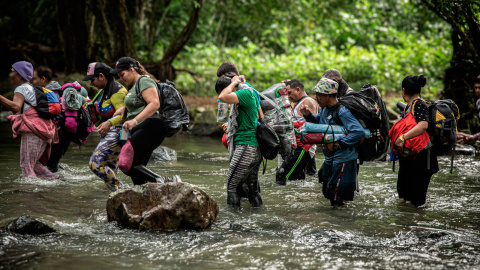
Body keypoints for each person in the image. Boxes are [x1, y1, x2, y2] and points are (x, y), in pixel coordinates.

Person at [111, 57, 180, 186]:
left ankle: (166, 181)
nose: (121, 78)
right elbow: (139, 102)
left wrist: (134, 121)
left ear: (131, 70)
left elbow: (154, 104)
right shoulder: (134, 86)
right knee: (136, 169)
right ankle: (143, 196)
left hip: (150, 127)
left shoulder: (144, 81)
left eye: (122, 74)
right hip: (141, 128)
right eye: (119, 76)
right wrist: (125, 108)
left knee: (125, 164)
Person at [299, 78, 365, 206]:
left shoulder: (342, 111)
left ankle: (341, 223)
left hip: (344, 159)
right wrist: (308, 115)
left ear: (329, 96)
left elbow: (359, 132)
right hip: (330, 158)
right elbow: (320, 122)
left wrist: (338, 145)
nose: (316, 98)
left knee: (336, 195)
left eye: (319, 95)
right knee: (328, 192)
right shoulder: (324, 109)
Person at [0, 61, 59, 179]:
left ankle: (30, 193)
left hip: (33, 130)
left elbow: (16, 107)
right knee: (33, 165)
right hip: (44, 130)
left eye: (13, 72)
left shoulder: (21, 89)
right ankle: (56, 180)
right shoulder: (32, 88)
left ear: (20, 74)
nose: (10, 75)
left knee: (26, 166)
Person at [216, 74, 263, 208]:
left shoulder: (245, 93)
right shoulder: (249, 92)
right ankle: (258, 215)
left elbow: (222, 97)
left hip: (246, 147)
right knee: (251, 189)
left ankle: (234, 223)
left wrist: (232, 84)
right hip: (253, 148)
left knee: (232, 186)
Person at [393, 75, 439, 207]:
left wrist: (403, 138)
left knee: (417, 201)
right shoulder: (410, 106)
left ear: (403, 90)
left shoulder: (418, 104)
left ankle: (417, 225)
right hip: (411, 158)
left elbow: (423, 125)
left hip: (422, 159)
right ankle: (410, 223)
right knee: (405, 195)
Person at [82, 62, 128, 189]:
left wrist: (109, 123)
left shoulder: (118, 92)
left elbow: (125, 115)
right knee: (109, 170)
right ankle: (117, 195)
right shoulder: (104, 91)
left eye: (92, 80)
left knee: (94, 164)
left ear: (101, 76)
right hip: (108, 134)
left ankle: (123, 189)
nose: (91, 84)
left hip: (118, 133)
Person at [276, 79, 319, 185]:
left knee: (282, 174)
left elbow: (315, 125)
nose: (288, 96)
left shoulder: (308, 102)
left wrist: (298, 129)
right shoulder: (297, 102)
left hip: (304, 146)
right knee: (297, 179)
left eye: (290, 93)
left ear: (298, 89)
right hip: (296, 145)